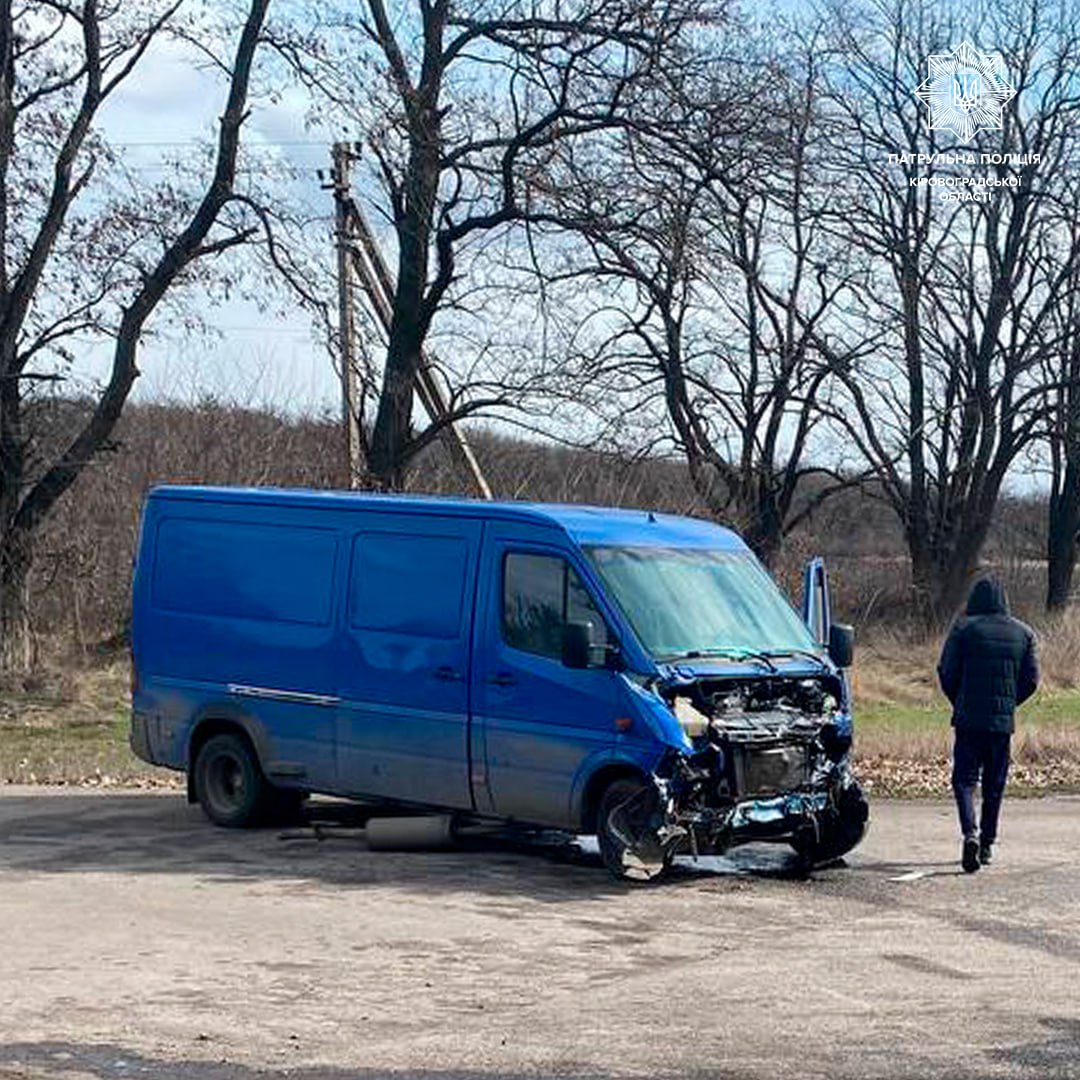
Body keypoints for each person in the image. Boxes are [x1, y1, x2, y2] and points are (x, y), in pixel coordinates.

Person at [937, 576, 1038, 873]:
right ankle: (987, 844)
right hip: (1001, 724)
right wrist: (1008, 704)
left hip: (968, 719)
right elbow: (1031, 680)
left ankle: (970, 833)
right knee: (995, 785)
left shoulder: (963, 628)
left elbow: (946, 670)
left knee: (965, 781)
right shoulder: (1024, 633)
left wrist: (960, 700)